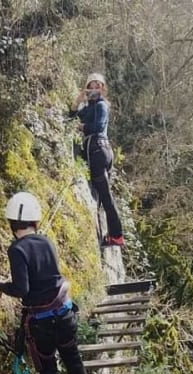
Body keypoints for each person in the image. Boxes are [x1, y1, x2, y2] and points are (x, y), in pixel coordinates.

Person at [0, 191, 99, 374]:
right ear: (35, 221)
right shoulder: (47, 242)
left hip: (42, 323)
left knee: (49, 371)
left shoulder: (16, 249)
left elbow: (22, 289)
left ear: (11, 223)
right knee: (73, 360)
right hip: (65, 313)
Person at [72, 72, 125, 247]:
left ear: (103, 89)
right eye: (91, 86)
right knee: (103, 196)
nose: (94, 89)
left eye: (97, 86)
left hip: (98, 150)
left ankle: (116, 236)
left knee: (106, 196)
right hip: (98, 150)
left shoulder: (102, 105)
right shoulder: (90, 107)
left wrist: (83, 127)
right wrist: (78, 101)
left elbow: (99, 126)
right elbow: (72, 117)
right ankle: (111, 234)